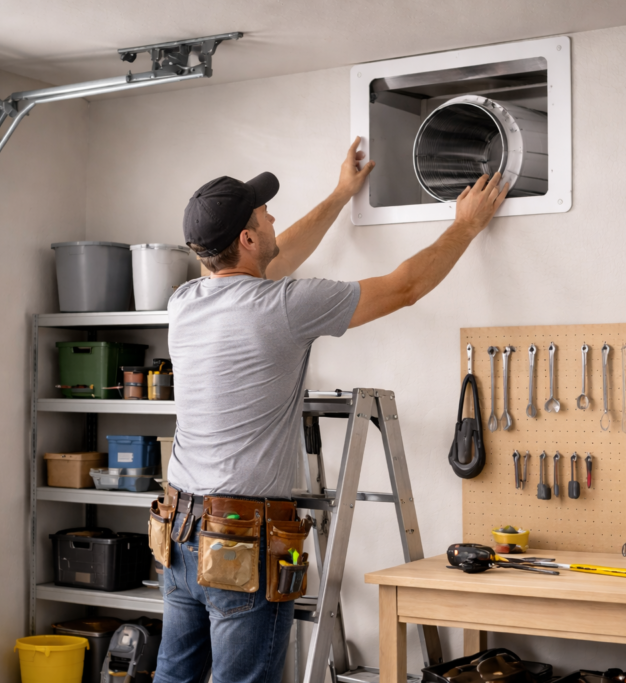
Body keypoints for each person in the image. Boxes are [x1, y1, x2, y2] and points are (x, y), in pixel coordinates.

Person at [152, 137, 508, 683]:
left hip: (179, 533)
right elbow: (405, 287)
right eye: (262, 213)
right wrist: (467, 225)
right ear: (246, 238)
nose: (272, 215)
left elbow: (274, 256)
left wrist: (342, 194)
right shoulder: (283, 307)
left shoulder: (186, 302)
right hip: (241, 546)